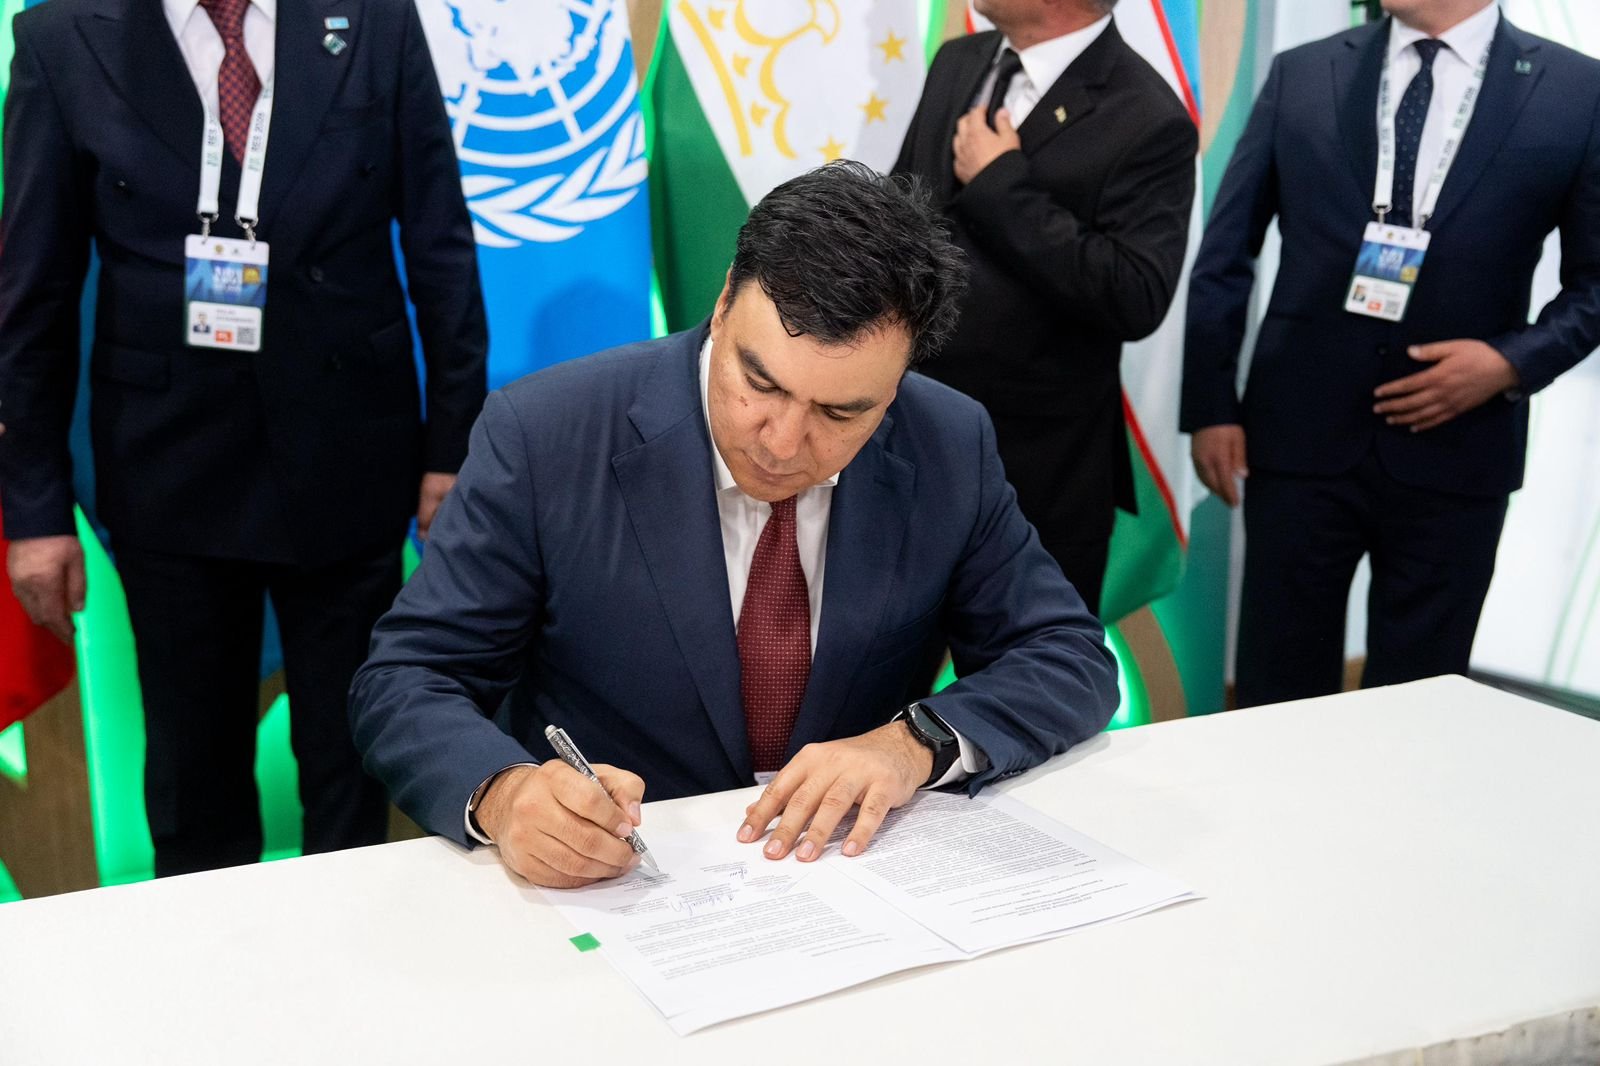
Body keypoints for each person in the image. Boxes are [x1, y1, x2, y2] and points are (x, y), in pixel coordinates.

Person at [349, 162, 1121, 889]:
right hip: (620, 883)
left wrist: (914, 743)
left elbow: (1066, 656)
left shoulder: (948, 441)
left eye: (840, 413)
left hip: (850, 879)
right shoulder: (547, 434)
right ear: (723, 304)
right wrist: (504, 793)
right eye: (760, 383)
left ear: (898, 382)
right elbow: (408, 679)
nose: (782, 443)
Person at [0, 0, 488, 875]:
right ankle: (209, 959)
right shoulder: (61, 36)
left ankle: (350, 948)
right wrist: (34, 510)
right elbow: (32, 295)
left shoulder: (371, 18)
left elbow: (441, 245)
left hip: (351, 454)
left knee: (352, 764)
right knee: (193, 787)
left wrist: (451, 451)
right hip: (166, 467)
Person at [1181, 0, 1600, 707]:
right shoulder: (1303, 73)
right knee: (1274, 694)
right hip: (1297, 441)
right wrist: (1211, 407)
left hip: (1460, 448)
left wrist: (1510, 363)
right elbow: (1224, 256)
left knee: (1419, 703)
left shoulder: (1577, 90)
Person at [892, 0, 1196, 615]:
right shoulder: (959, 60)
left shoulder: (1148, 115)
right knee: (877, 665)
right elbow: (901, 210)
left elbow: (1136, 293)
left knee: (1026, 669)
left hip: (1039, 477)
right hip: (907, 444)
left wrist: (1001, 184)